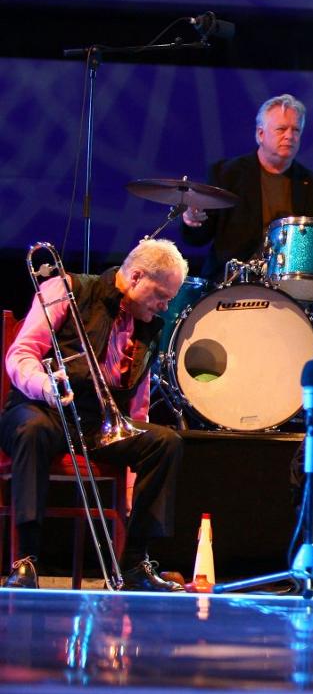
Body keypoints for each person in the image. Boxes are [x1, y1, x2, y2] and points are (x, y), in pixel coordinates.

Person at [1, 239, 189, 591]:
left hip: (95, 424)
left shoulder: (146, 325)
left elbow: (138, 405)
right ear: (135, 277)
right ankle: (26, 560)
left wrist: (132, 492)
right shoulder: (66, 288)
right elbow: (21, 354)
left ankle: (134, 563)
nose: (165, 305)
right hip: (40, 408)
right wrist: (46, 387)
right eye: (162, 295)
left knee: (165, 443)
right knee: (32, 430)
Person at [181, 94, 313, 281]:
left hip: (290, 290)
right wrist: (191, 219)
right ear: (260, 134)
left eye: (295, 130)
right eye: (281, 129)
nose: (289, 136)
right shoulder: (226, 174)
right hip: (230, 284)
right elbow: (197, 239)